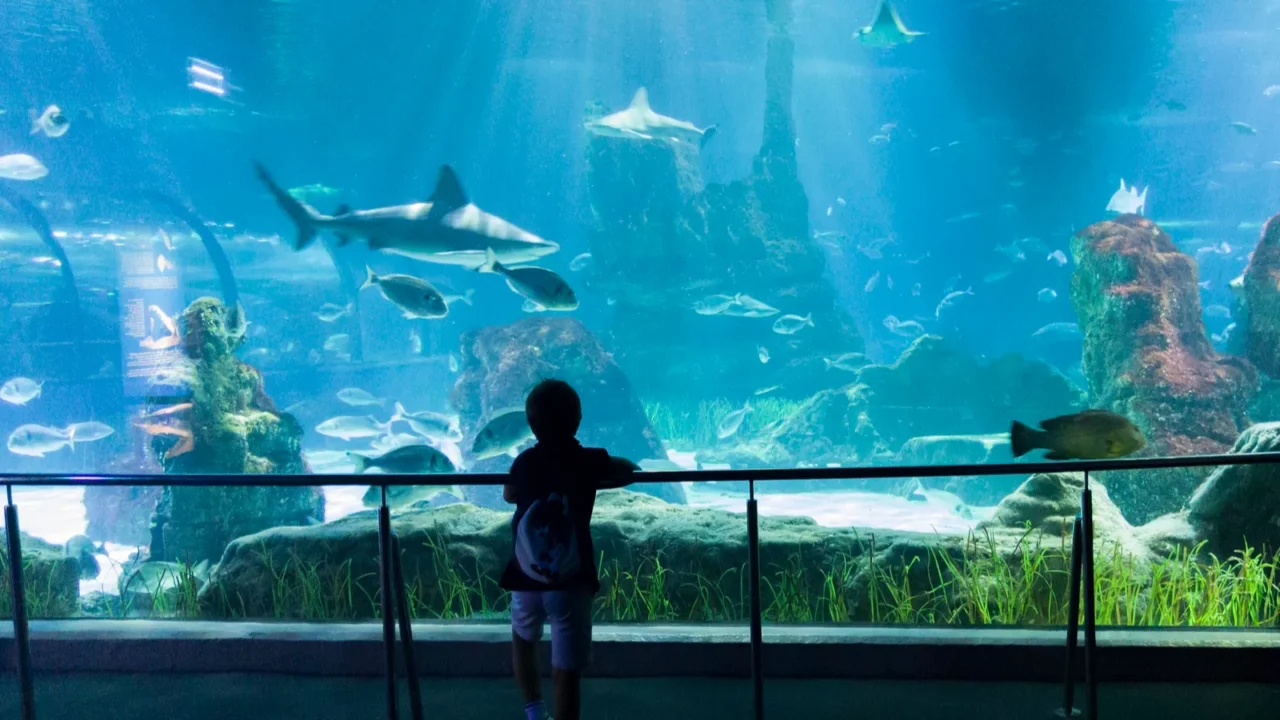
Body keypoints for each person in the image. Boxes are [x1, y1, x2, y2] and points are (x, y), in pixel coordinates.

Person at [501, 379, 638, 720]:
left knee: (522, 638)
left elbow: (509, 494)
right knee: (567, 667)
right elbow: (627, 471)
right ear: (577, 419)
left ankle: (534, 712)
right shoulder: (587, 460)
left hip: (526, 575)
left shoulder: (524, 461)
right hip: (570, 579)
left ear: (531, 425)